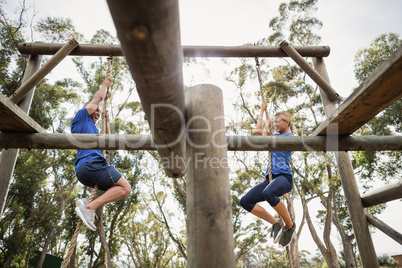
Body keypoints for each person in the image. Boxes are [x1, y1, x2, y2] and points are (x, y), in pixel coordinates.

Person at [71, 78, 131, 231]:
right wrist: (104, 86)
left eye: (99, 111)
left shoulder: (92, 129)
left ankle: (87, 204)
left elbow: (109, 144)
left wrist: (106, 120)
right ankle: (89, 207)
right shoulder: (81, 117)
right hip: (92, 164)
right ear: (87, 109)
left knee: (119, 190)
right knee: (125, 189)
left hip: (85, 170)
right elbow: (98, 98)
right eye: (95, 110)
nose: (97, 112)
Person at [240, 100, 296, 247]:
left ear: (287, 122)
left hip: (284, 177)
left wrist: (266, 127)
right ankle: (276, 224)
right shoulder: (276, 136)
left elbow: (263, 136)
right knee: (245, 201)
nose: (275, 124)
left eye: (278, 122)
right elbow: (257, 134)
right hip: (269, 180)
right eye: (274, 122)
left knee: (268, 193)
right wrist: (261, 110)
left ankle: (290, 226)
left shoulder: (290, 138)